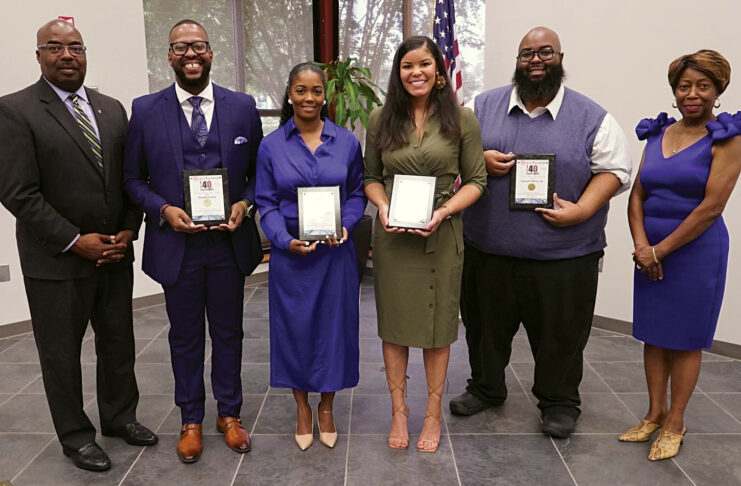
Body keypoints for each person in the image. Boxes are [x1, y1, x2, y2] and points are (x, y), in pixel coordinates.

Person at [449, 26, 632, 439]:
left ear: (560, 58)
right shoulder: (482, 105)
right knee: (484, 330)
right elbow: (454, 155)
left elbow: (616, 170)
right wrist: (478, 157)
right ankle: (486, 388)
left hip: (564, 257)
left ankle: (560, 402)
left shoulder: (593, 116)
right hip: (488, 249)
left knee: (561, 336)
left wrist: (583, 209)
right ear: (517, 61)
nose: (535, 61)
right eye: (526, 54)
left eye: (545, 53)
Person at [0, 19, 158, 471]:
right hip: (56, 261)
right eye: (54, 47)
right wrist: (74, 240)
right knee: (61, 354)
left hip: (113, 253)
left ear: (85, 53)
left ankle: (120, 417)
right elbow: (18, 192)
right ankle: (76, 436)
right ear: (38, 56)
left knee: (118, 343)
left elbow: (128, 179)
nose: (66, 55)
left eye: (75, 47)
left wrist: (130, 227)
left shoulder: (111, 109)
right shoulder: (15, 111)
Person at [123, 19, 263, 463]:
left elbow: (260, 172)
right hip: (176, 245)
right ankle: (189, 418)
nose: (190, 54)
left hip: (227, 243)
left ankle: (230, 414)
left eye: (198, 46)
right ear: (168, 55)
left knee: (229, 333)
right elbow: (132, 178)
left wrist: (245, 203)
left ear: (210, 53)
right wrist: (163, 209)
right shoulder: (146, 109)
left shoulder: (241, 106)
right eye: (181, 47)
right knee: (184, 336)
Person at [364, 36, 487, 453]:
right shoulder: (381, 118)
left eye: (424, 64)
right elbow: (371, 177)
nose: (415, 72)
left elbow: (476, 181)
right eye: (406, 65)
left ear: (438, 71)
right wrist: (382, 207)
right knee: (395, 328)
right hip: (394, 238)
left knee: (437, 332)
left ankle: (432, 412)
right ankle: (399, 409)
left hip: (442, 233)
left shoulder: (462, 120)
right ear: (398, 73)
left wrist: (443, 212)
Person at [620, 50, 741, 460]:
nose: (692, 94)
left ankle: (676, 421)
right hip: (648, 251)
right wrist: (642, 247)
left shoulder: (727, 138)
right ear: (674, 90)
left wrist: (660, 251)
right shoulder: (657, 133)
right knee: (654, 335)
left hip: (696, 252)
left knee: (685, 340)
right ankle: (654, 414)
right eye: (684, 86)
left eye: (702, 86)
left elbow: (712, 207)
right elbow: (637, 194)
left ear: (717, 90)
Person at [255, 62, 366, 451]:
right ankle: (302, 408)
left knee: (335, 331)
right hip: (293, 256)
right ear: (290, 94)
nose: (308, 97)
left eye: (316, 90)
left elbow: (356, 193)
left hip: (336, 255)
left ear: (325, 96)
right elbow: (265, 202)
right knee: (296, 331)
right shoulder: (271, 146)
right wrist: (283, 240)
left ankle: (327, 408)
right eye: (300, 90)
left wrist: (347, 224)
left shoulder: (347, 142)